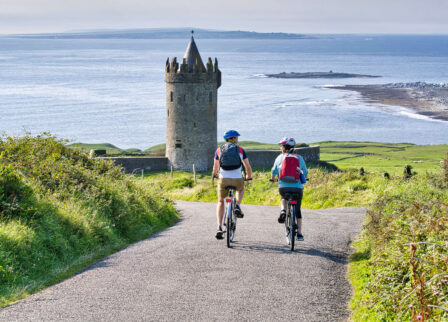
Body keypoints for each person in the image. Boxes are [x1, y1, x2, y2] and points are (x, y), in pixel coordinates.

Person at [213, 130, 252, 239]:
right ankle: (237, 205)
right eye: (236, 138)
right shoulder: (240, 150)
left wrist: (215, 175)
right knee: (240, 189)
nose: (237, 139)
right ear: (234, 139)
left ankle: (219, 227)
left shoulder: (218, 150)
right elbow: (247, 167)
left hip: (223, 179)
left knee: (221, 201)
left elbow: (215, 167)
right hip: (237, 179)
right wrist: (248, 177)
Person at [270, 137, 308, 241]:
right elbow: (305, 171)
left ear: (283, 147)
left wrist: (273, 178)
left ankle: (283, 211)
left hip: (283, 187)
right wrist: (306, 176)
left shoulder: (279, 158)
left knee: (283, 197)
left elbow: (273, 171)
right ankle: (299, 234)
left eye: (281, 146)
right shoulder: (299, 157)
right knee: (298, 210)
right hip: (297, 188)